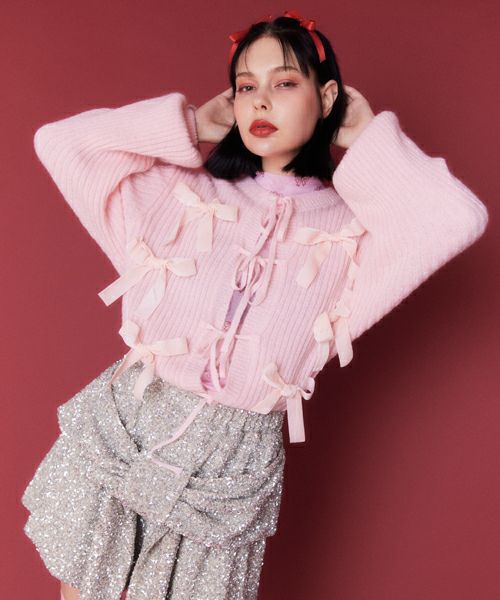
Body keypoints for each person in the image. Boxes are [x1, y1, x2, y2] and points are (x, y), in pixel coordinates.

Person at [21, 10, 489, 600]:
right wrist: (190, 123)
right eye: (246, 86)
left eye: (284, 83)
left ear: (328, 97)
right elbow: (59, 143)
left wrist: (367, 135)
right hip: (126, 427)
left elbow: (458, 219)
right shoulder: (179, 197)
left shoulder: (357, 238)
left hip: (230, 467)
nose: (261, 101)